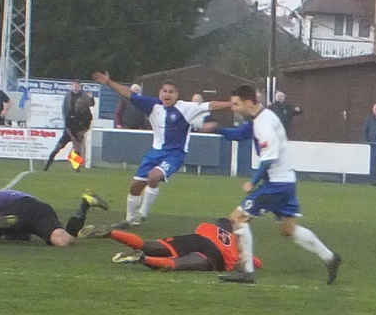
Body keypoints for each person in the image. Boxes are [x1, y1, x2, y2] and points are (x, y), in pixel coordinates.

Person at [201, 85, 342, 284]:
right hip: (286, 182)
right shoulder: (261, 118)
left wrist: (253, 181)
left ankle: (246, 271)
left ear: (248, 102)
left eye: (236, 104)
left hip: (277, 184)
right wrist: (217, 129)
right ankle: (330, 257)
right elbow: (239, 134)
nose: (233, 108)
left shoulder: (263, 124)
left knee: (237, 218)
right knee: (289, 229)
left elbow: (269, 158)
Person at [92, 71, 230, 228]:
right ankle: (130, 220)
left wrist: (231, 104)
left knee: (154, 176)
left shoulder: (185, 108)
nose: (167, 94)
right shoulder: (153, 105)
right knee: (135, 186)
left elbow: (211, 105)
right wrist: (109, 82)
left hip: (174, 155)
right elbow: (129, 94)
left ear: (176, 95)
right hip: (155, 153)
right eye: (165, 91)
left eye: (171, 92)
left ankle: (142, 214)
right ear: (160, 93)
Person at [0, 178, 108, 247]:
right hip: (40, 208)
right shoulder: (11, 194)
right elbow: (24, 237)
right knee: (65, 240)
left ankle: (0, 224)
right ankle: (85, 203)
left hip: (18, 210)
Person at [101, 218, 262, 272]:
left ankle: (110, 233)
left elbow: (199, 232)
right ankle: (143, 259)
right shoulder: (236, 242)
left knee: (148, 245)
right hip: (215, 254)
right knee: (178, 264)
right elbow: (256, 263)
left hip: (196, 239)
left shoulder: (206, 226)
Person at [43, 80, 95, 171]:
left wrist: (82, 133)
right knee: (59, 147)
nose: (78, 105)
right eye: (74, 85)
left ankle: (77, 167)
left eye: (77, 85)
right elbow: (66, 118)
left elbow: (88, 122)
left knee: (78, 149)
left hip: (78, 131)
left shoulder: (85, 110)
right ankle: (48, 164)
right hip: (69, 130)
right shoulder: (69, 105)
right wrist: (72, 137)